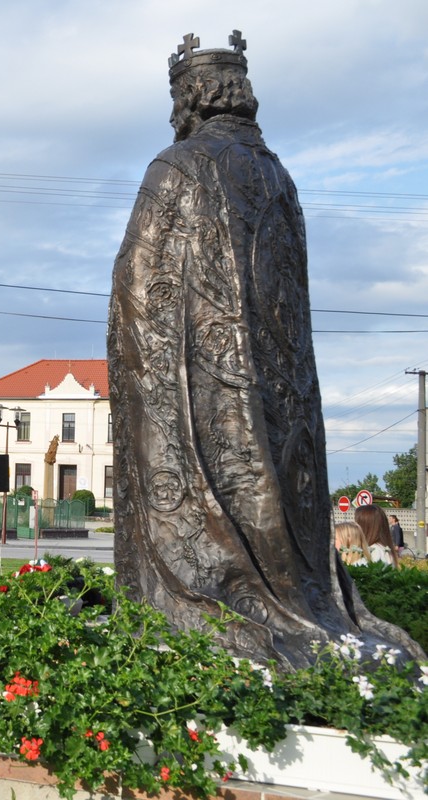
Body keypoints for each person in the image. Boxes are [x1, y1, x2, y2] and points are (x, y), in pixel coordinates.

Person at [107, 31, 424, 668]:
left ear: (193, 96)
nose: (174, 115)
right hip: (279, 398)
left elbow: (135, 279)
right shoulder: (281, 177)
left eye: (177, 100)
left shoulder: (177, 166)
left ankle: (216, 604)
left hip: (200, 389)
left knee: (198, 508)